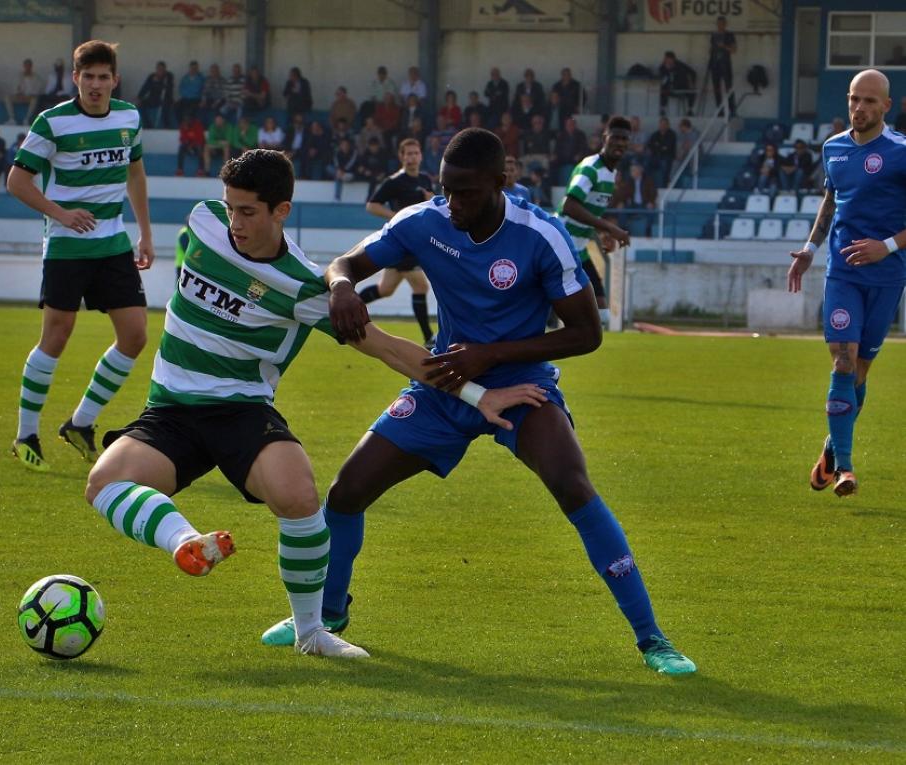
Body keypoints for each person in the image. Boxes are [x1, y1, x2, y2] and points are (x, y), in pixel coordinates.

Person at [259, 128, 697, 675]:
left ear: (501, 182)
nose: (454, 204)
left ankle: (652, 638)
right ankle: (328, 614)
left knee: (572, 484)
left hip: (523, 387)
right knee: (347, 491)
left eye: (467, 192)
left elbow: (586, 333)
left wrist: (491, 355)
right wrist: (343, 287)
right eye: (447, 190)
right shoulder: (425, 221)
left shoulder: (541, 235)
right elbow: (345, 263)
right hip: (445, 384)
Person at [83, 148, 540, 658]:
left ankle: (311, 633)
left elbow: (391, 349)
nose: (234, 221)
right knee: (104, 483)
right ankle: (187, 544)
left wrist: (480, 394)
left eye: (248, 211)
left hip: (242, 412)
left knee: (300, 498)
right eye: (230, 206)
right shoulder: (202, 222)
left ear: (282, 210)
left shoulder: (303, 288)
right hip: (171, 408)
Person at [7, 40, 154, 472]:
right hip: (67, 248)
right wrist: (61, 214)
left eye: (102, 77)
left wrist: (145, 234)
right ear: (75, 79)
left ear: (114, 79)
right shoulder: (53, 123)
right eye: (86, 76)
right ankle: (25, 434)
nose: (94, 84)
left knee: (135, 336)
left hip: (113, 244)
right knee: (57, 335)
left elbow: (135, 173)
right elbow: (17, 181)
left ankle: (80, 423)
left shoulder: (129, 117)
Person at [787, 69, 906, 498]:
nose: (860, 108)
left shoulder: (901, 152)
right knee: (842, 360)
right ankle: (847, 470)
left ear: (886, 107)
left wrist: (887, 246)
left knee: (860, 371)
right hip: (842, 273)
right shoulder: (832, 148)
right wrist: (809, 249)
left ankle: (831, 447)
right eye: (855, 99)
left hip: (888, 275)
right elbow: (831, 200)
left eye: (870, 101)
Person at [557, 116, 633, 326]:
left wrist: (602, 234)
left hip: (579, 249)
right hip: (561, 244)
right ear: (604, 138)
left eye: (624, 139)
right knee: (571, 313)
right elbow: (569, 206)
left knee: (602, 313)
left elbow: (589, 210)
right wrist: (610, 227)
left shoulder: (611, 173)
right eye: (615, 137)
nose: (619, 143)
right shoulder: (590, 168)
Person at [360, 137, 436, 345]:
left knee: (386, 289)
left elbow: (431, 205)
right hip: (403, 241)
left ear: (421, 155)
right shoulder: (394, 181)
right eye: (408, 154)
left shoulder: (425, 179)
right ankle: (429, 338)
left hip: (415, 242)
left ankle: (346, 307)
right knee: (420, 287)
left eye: (415, 153)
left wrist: (431, 198)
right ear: (401, 157)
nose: (412, 157)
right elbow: (372, 205)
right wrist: (395, 215)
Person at [612, 161, 657, 236]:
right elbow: (624, 194)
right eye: (631, 170)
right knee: (622, 210)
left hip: (644, 204)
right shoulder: (629, 181)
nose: (631, 172)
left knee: (651, 210)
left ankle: (648, 231)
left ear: (640, 170)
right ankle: (624, 230)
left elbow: (653, 193)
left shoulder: (648, 181)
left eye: (634, 170)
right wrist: (621, 202)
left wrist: (651, 202)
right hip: (633, 205)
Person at [708, 16, 737, 116]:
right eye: (718, 23)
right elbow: (711, 49)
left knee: (729, 86)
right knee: (716, 88)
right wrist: (712, 50)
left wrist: (724, 46)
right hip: (715, 64)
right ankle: (719, 110)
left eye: (722, 23)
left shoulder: (729, 35)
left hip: (725, 64)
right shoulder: (713, 35)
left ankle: (732, 109)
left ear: (725, 24)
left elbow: (734, 50)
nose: (720, 25)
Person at [4, 58, 43, 125]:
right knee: (7, 98)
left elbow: (37, 89)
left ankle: (27, 119)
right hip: (20, 96)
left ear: (31, 66)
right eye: (26, 66)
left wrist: (29, 95)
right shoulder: (19, 76)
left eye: (29, 66)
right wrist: (18, 93)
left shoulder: (36, 77)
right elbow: (15, 87)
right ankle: (12, 119)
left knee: (35, 100)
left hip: (29, 97)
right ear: (24, 66)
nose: (27, 67)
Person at [136, 61, 173, 128]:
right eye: (158, 69)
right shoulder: (152, 76)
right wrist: (139, 97)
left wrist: (158, 82)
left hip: (164, 99)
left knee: (166, 108)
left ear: (165, 69)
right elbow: (145, 87)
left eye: (162, 69)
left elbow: (168, 88)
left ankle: (166, 126)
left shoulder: (169, 76)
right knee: (140, 105)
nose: (160, 71)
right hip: (152, 98)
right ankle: (147, 125)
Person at [658, 51, 696, 117]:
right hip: (670, 89)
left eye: (668, 59)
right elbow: (661, 76)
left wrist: (691, 83)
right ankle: (662, 109)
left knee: (692, 91)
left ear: (673, 59)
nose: (666, 61)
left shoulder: (680, 65)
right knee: (663, 89)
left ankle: (690, 110)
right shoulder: (663, 67)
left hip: (682, 88)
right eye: (665, 59)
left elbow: (693, 73)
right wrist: (667, 70)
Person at [645, 116, 677, 188]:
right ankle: (648, 185)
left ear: (668, 125)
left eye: (664, 124)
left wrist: (657, 146)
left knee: (664, 165)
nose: (662, 126)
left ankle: (663, 187)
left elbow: (667, 148)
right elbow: (650, 146)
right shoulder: (655, 134)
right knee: (646, 163)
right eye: (661, 124)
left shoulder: (672, 134)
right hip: (655, 156)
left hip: (667, 157)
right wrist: (660, 147)